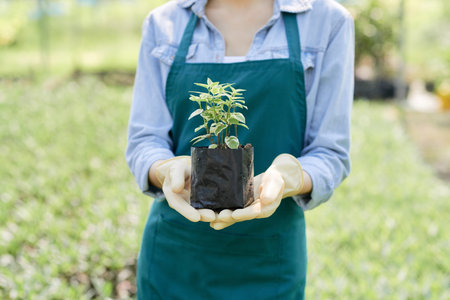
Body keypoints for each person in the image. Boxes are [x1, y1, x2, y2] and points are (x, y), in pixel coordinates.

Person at [125, 0, 354, 298]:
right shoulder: (164, 23)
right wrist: (164, 169)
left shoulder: (327, 22)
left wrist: (290, 177)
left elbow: (330, 151)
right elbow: (145, 139)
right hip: (175, 257)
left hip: (270, 261)